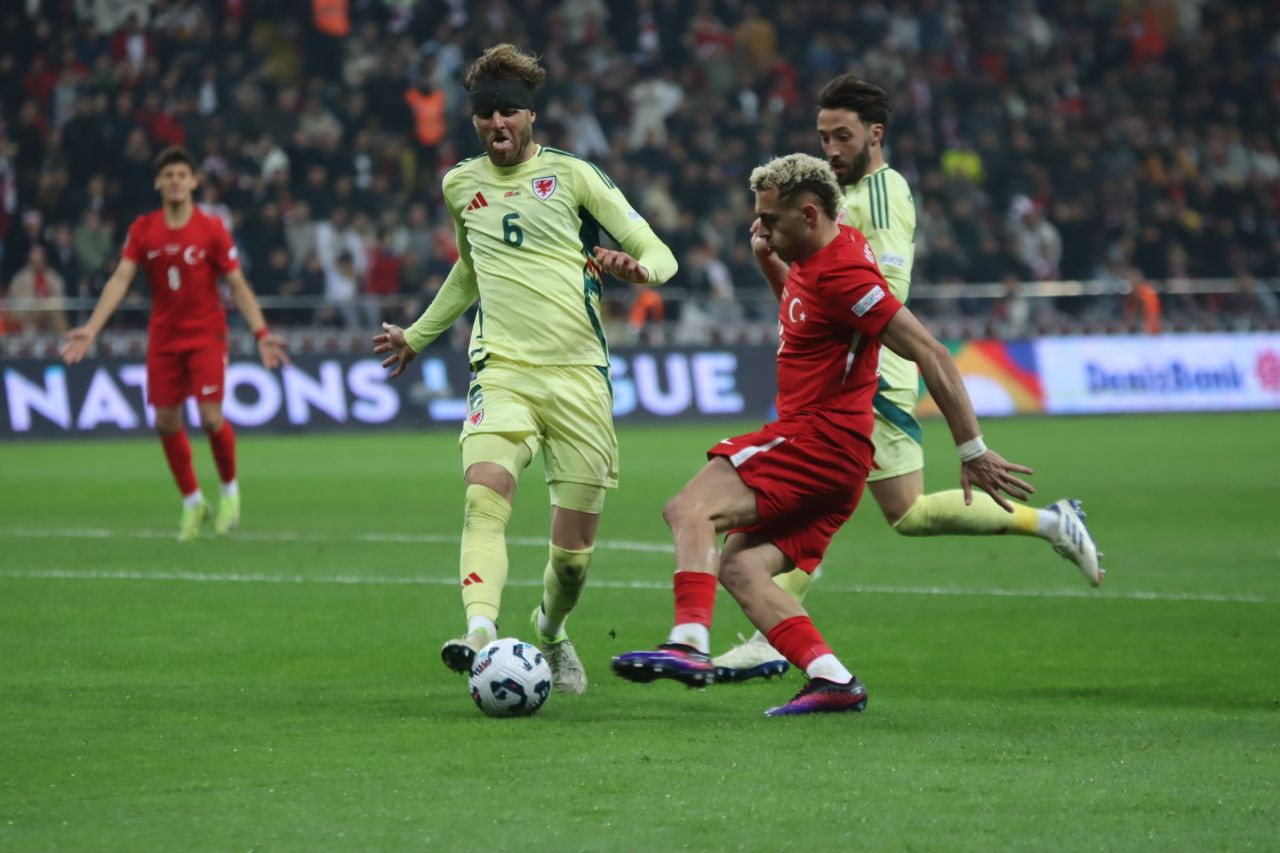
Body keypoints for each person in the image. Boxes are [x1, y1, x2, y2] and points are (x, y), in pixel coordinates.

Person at [712, 75, 1103, 682]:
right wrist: (777, 263)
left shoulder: (883, 194)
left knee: (834, 496)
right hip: (844, 365)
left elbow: (880, 302)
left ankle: (772, 636)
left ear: (875, 134)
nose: (831, 150)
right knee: (896, 510)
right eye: (822, 138)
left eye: (842, 137)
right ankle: (1052, 521)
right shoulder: (836, 197)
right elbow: (810, 294)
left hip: (869, 371)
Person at [613, 154, 1035, 716]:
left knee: (689, 510)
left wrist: (971, 449)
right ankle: (832, 680)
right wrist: (769, 262)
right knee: (741, 568)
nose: (761, 227)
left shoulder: (845, 274)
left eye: (771, 220)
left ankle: (689, 641)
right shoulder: (826, 256)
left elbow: (930, 350)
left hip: (815, 441)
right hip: (838, 460)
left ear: (809, 214)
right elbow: (805, 309)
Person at [372, 44, 678, 694]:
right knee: (485, 494)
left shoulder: (574, 177)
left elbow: (658, 250)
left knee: (570, 562)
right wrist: (420, 336)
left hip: (578, 379)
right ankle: (479, 633)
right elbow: (470, 268)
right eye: (485, 116)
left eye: (508, 112)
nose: (496, 125)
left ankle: (549, 631)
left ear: (531, 116)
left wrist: (639, 269)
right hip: (501, 368)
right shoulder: (461, 184)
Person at [60, 146, 289, 541]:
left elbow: (237, 284)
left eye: (182, 174)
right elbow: (120, 279)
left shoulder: (212, 229)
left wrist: (262, 334)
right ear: (158, 182)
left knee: (211, 417)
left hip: (205, 334)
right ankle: (192, 502)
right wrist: (92, 329)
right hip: (163, 337)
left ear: (195, 181)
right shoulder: (144, 229)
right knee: (166, 421)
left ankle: (230, 491)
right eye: (168, 175)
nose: (175, 181)